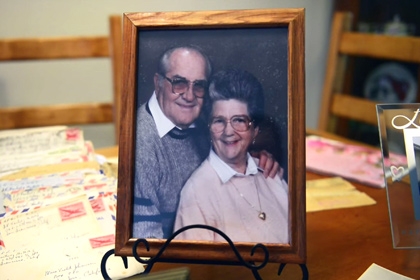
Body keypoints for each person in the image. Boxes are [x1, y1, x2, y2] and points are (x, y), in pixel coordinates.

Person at [133, 46, 280, 239]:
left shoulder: (202, 121)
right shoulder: (142, 144)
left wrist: (253, 159)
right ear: (158, 82)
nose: (189, 96)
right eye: (179, 83)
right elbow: (145, 244)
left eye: (199, 86)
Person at [173, 69, 289, 243]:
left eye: (239, 120)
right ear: (209, 128)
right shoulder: (196, 194)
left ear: (255, 130)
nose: (229, 132)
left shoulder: (271, 175)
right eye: (219, 121)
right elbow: (197, 268)